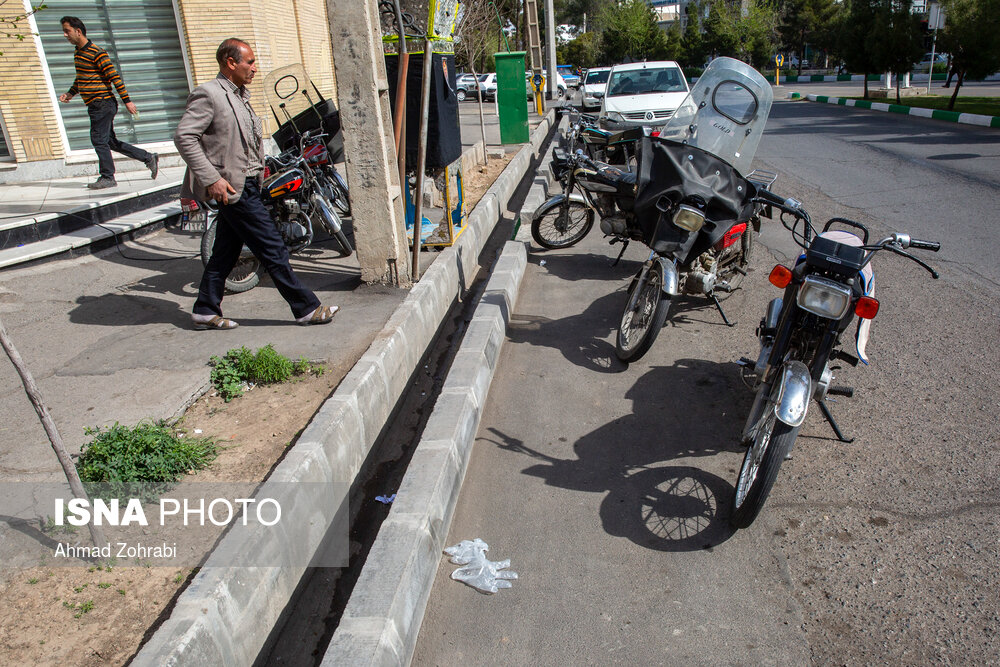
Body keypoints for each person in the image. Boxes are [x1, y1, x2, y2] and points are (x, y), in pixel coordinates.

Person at [174, 37, 337, 330]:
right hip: (231, 187)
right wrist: (212, 179)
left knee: (225, 252)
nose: (254, 68)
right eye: (249, 62)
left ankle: (204, 309)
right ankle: (306, 308)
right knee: (272, 246)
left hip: (248, 184)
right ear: (230, 62)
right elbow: (184, 137)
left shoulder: (239, 96)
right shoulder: (209, 94)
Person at [58, 16, 158, 190]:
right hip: (95, 104)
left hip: (102, 103)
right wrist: (71, 93)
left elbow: (114, 77)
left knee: (98, 139)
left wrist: (128, 101)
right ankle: (148, 157)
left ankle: (108, 177)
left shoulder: (97, 52)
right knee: (108, 141)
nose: (65, 35)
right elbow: (82, 77)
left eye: (67, 31)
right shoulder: (78, 53)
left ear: (78, 31)